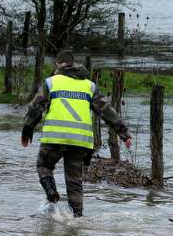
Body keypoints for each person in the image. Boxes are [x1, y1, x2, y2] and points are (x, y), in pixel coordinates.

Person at [21, 50, 132, 217]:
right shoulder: (89, 86)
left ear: (58, 64)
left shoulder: (51, 82)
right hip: (80, 142)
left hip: (55, 138)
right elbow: (107, 111)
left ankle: (52, 194)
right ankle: (77, 220)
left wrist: (27, 130)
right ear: (75, 64)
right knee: (74, 182)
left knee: (43, 165)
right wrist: (124, 134)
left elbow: (36, 108)